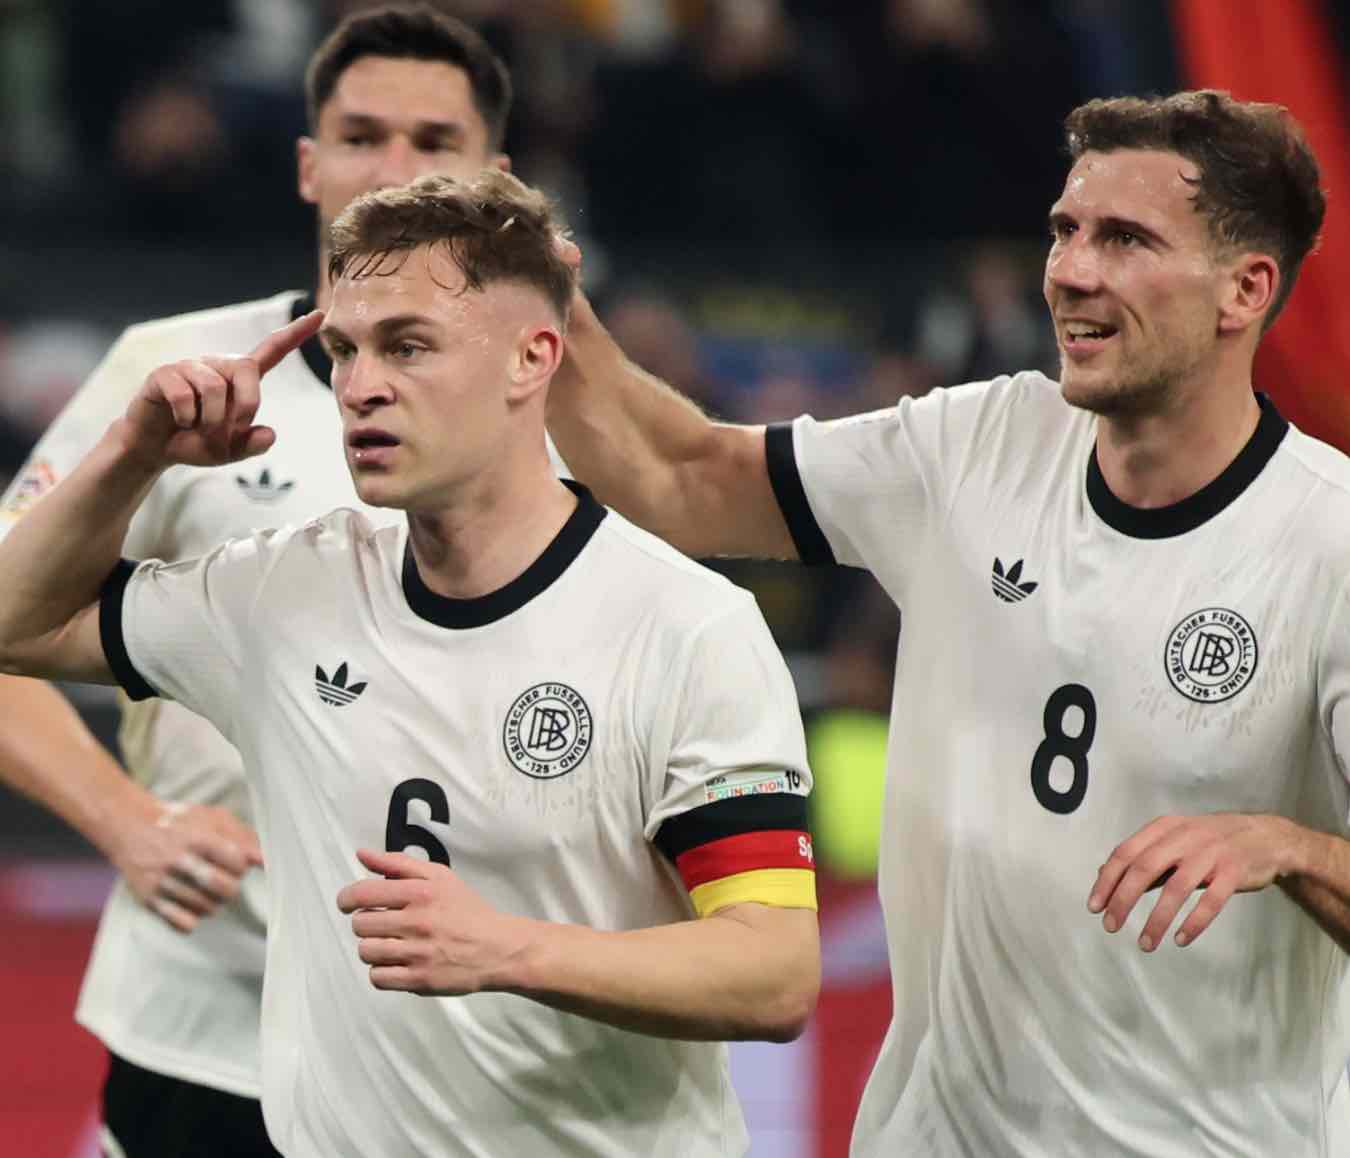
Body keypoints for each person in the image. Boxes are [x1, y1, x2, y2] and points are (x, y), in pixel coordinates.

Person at [545, 89, 1350, 1155]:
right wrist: (549, 305)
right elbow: (681, 477)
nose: (1071, 271)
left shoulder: (1328, 542)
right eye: (1066, 230)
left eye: (1126, 239)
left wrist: (1292, 846)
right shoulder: (981, 442)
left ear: (1245, 289)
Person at [0, 169, 820, 1156]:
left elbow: (774, 972)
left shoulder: (684, 627)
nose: (360, 386)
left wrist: (507, 948)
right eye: (345, 350)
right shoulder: (287, 590)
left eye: (408, 346)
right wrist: (135, 456)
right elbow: (17, 625)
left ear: (532, 358)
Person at [0, 7, 520, 1154]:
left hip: (472, 1039)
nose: (395, 169)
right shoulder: (170, 376)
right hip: (208, 1021)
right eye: (361, 135)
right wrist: (126, 819)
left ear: (497, 175)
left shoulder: (557, 405)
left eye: (435, 141)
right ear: (307, 165)